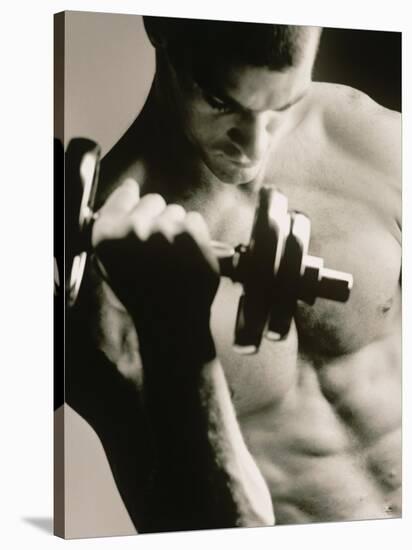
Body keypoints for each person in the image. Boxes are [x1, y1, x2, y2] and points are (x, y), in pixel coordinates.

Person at [67, 17, 401, 533]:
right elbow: (195, 528)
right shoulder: (98, 273)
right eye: (222, 103)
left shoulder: (377, 144)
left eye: (281, 107)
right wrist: (174, 334)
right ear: (161, 27)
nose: (254, 147)